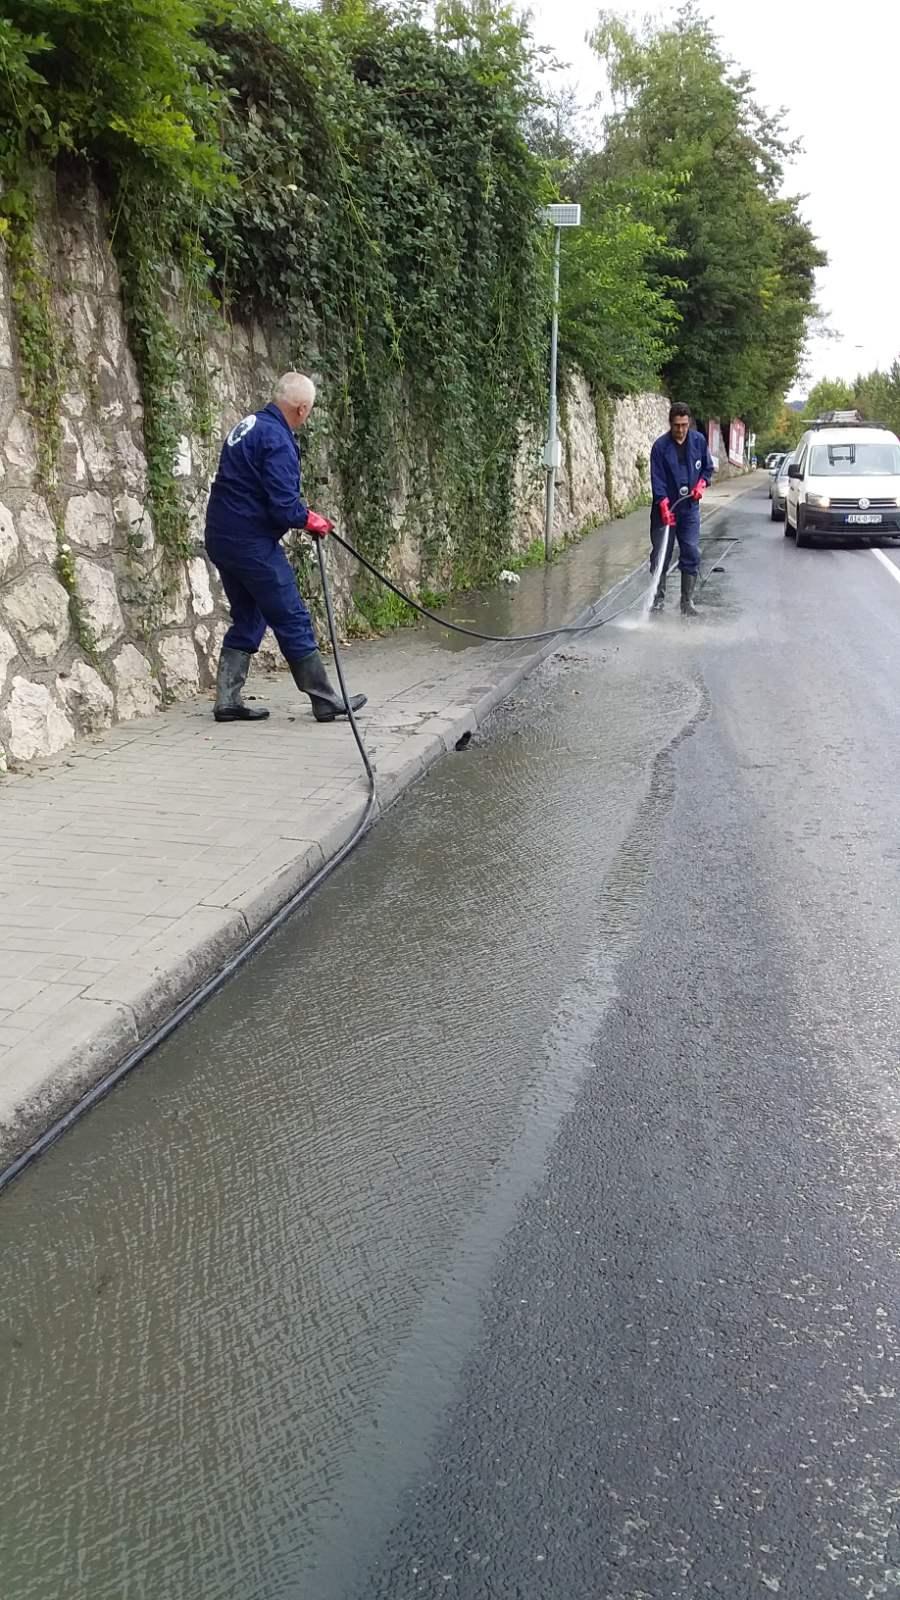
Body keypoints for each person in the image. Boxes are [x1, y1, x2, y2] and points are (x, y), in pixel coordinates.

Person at [205, 372, 367, 723]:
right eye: (308, 411)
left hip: (221, 537)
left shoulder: (248, 425)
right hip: (250, 542)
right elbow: (283, 505)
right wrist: (311, 520)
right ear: (302, 408)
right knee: (291, 615)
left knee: (249, 614)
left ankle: (227, 700)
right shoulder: (277, 438)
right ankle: (324, 699)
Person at [649, 403, 716, 616]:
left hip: (689, 509)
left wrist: (701, 485)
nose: (680, 430)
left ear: (689, 423)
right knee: (661, 554)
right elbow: (657, 479)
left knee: (691, 550)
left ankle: (686, 602)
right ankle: (657, 599)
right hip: (665, 509)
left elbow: (707, 468)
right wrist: (663, 505)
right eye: (677, 425)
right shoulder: (660, 447)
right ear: (670, 423)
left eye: (684, 425)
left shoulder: (698, 441)